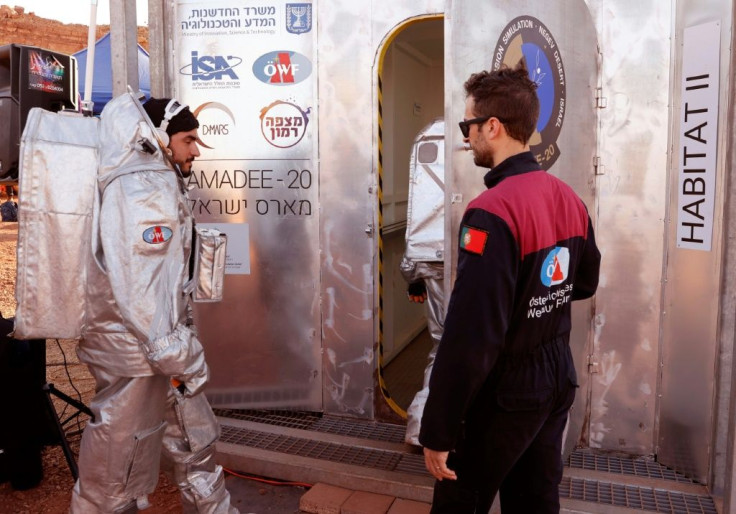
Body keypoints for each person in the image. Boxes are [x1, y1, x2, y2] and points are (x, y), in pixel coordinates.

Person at [419, 64, 601, 514]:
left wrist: (438, 431)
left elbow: (471, 335)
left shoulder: (491, 212)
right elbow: (585, 282)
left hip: (507, 387)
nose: (467, 137)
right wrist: (538, 304)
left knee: (460, 501)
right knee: (534, 501)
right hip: (557, 373)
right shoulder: (568, 198)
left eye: (469, 126)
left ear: (493, 127)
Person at [70, 94, 238, 513]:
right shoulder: (141, 188)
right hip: (141, 352)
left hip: (153, 349)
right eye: (188, 139)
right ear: (160, 138)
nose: (195, 149)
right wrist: (179, 356)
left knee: (193, 438)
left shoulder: (149, 178)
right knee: (116, 467)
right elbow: (140, 288)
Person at [400, 119, 446, 446]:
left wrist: (414, 282)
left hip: (432, 264)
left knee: (443, 347)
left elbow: (410, 258)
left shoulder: (429, 137)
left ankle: (419, 427)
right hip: (475, 266)